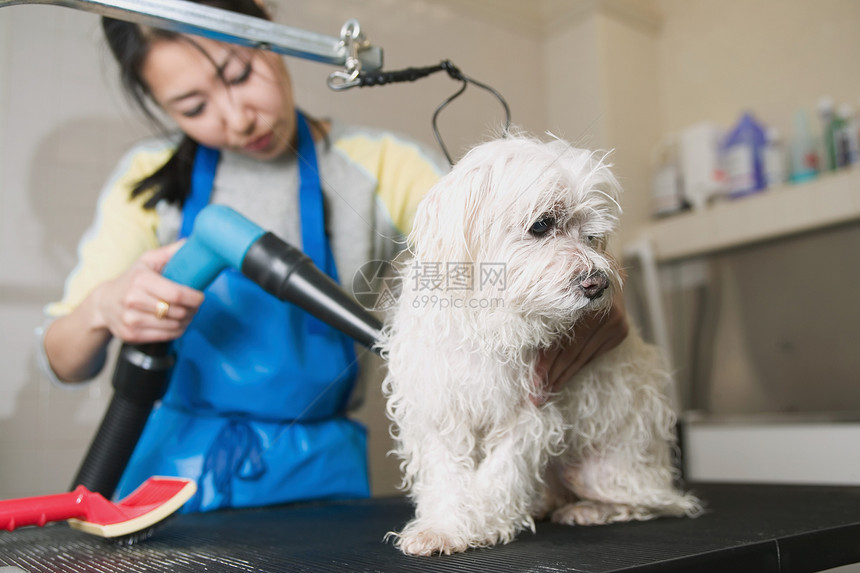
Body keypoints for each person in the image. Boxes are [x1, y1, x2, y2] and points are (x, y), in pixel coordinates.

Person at [37, 0, 628, 512]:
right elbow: (65, 360)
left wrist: (590, 284)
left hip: (321, 474)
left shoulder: (380, 165)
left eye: (241, 74)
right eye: (193, 107)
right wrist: (102, 308)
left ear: (267, 25)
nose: (237, 117)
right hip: (168, 475)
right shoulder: (145, 182)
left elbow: (495, 250)